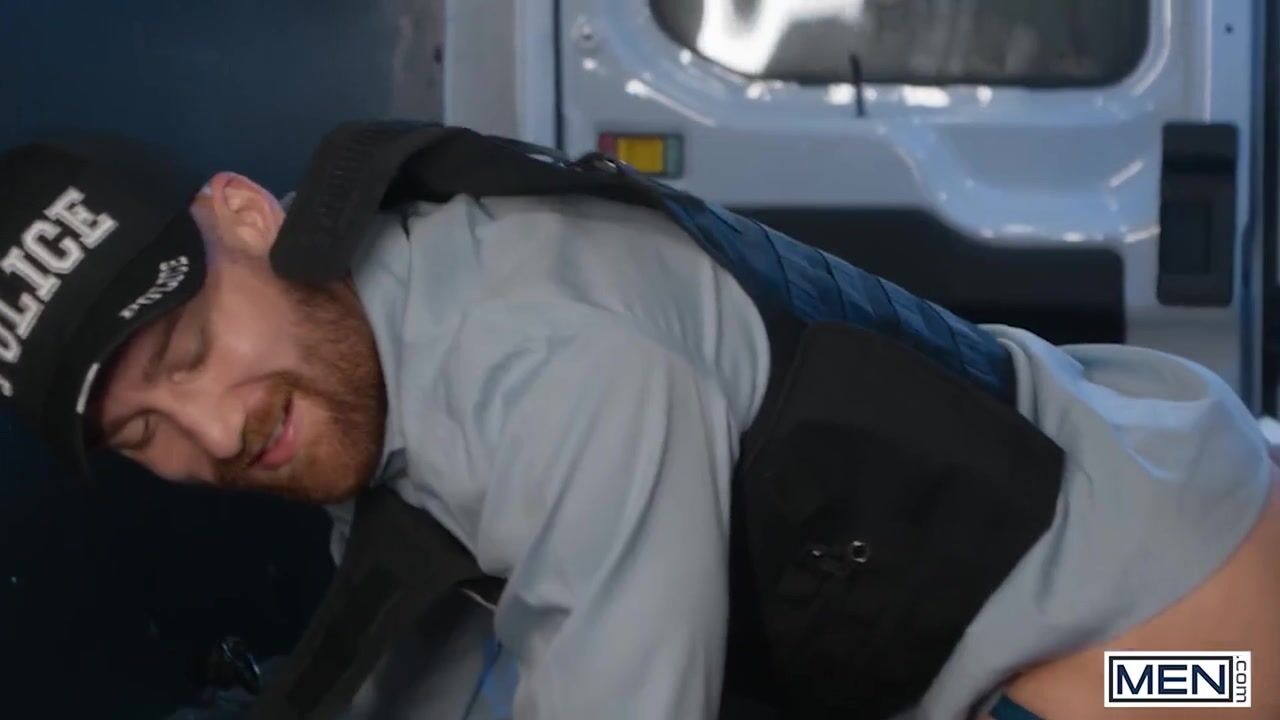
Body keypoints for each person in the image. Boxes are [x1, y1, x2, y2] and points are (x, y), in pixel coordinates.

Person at [0, 127, 1276, 720]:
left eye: (188, 351)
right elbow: (425, 647)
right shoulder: (365, 364)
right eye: (139, 434)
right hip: (1010, 588)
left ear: (245, 216)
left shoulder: (547, 361)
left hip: (1140, 633)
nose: (210, 431)